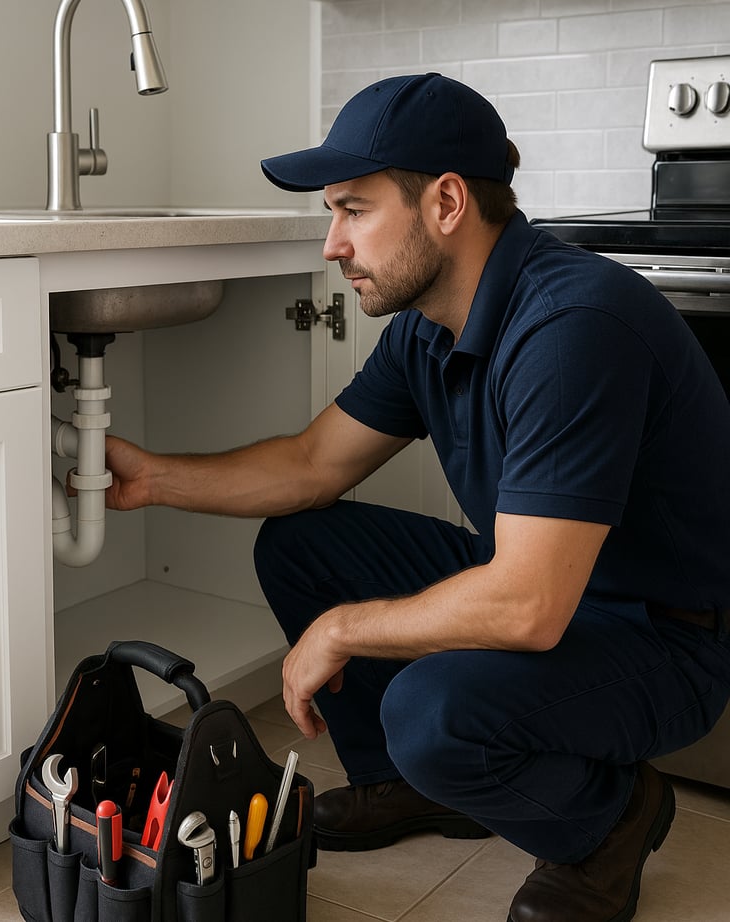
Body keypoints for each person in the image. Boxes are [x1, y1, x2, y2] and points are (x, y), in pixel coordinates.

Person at [103, 74, 730, 922]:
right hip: (542, 580)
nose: (332, 244)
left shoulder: (572, 326)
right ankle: (411, 787)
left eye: (353, 210)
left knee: (430, 711)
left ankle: (613, 820)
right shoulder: (428, 326)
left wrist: (343, 628)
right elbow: (312, 463)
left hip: (662, 637)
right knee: (300, 542)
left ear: (444, 203)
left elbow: (530, 607)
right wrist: (153, 479)